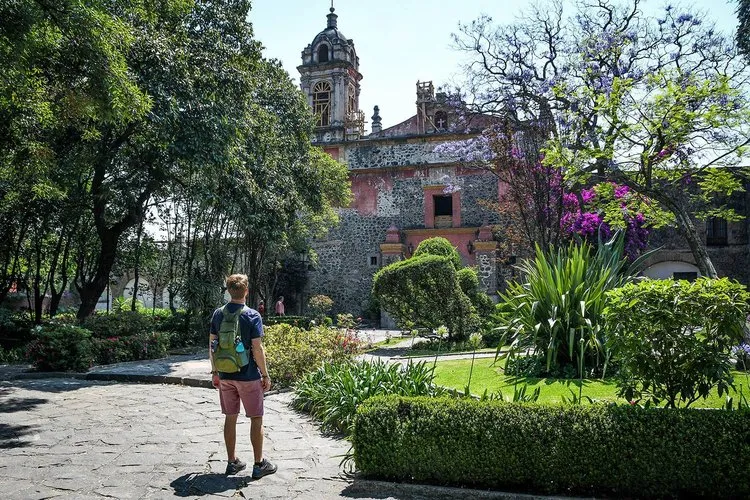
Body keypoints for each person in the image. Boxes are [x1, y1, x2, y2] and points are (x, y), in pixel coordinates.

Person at [209, 274, 277, 479]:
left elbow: (212, 345)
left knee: (230, 418)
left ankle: (232, 462)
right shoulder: (253, 315)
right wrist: (265, 374)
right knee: (256, 418)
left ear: (229, 291)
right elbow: (257, 348)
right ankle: (259, 465)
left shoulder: (217, 314)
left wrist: (214, 372)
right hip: (248, 377)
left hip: (225, 375)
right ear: (246, 291)